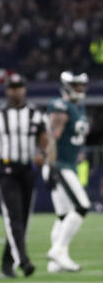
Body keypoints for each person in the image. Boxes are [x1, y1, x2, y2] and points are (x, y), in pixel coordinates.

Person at [0, 73, 48, 278]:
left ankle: (6, 265)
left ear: (24, 88)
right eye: (12, 87)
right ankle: (23, 261)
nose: (16, 90)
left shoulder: (36, 113)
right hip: (5, 170)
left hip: (27, 170)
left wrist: (42, 154)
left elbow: (44, 138)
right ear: (6, 90)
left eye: (19, 86)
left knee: (23, 219)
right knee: (14, 215)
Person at [43, 71, 91, 272]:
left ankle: (55, 263)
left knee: (63, 215)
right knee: (82, 206)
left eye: (81, 85)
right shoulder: (61, 106)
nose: (80, 89)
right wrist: (52, 164)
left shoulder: (78, 107)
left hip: (68, 164)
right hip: (59, 165)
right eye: (77, 85)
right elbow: (52, 136)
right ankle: (59, 250)